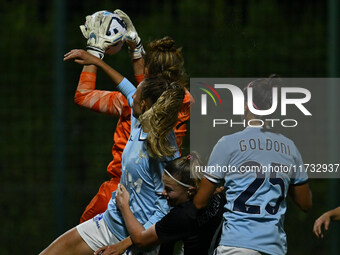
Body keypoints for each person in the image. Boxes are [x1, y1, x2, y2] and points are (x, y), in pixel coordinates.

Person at [40, 42, 185, 254]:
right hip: (108, 222)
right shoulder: (140, 120)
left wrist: (124, 244)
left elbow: (163, 214)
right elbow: (125, 85)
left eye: (137, 95)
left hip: (135, 241)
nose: (132, 96)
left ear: (145, 104)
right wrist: (95, 60)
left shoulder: (163, 149)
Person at [75, 10, 192, 223]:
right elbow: (148, 88)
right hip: (161, 197)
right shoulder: (184, 102)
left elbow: (83, 96)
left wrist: (95, 53)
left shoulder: (131, 104)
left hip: (121, 191)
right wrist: (137, 50)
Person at [193, 77, 312, 255]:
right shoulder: (290, 147)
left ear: (247, 105)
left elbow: (200, 202)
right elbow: (305, 203)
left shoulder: (228, 143)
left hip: (236, 244)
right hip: (274, 247)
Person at [94, 153, 225, 255]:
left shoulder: (182, 215)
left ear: (190, 191)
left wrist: (124, 206)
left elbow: (141, 240)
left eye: (169, 189)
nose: (163, 193)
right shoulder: (216, 195)